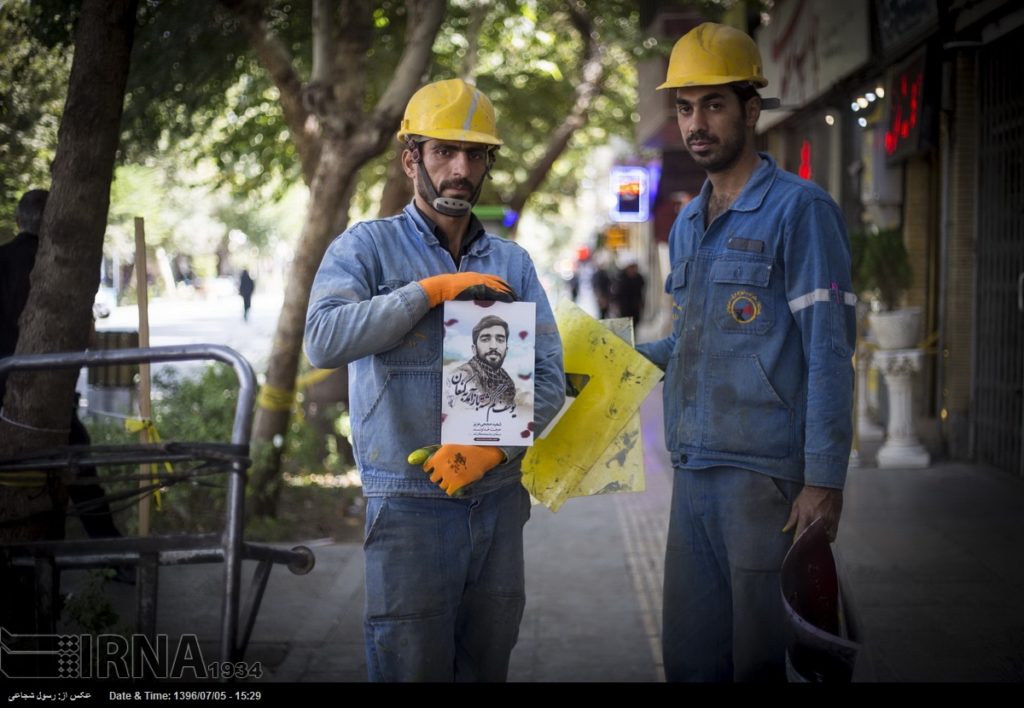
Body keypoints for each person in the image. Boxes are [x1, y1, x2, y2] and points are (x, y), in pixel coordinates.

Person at [304, 78, 565, 682]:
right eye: (444, 151)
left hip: (497, 506)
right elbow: (324, 339)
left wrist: (493, 449)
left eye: (475, 155)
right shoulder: (366, 248)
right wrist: (424, 294)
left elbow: (549, 379)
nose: (460, 168)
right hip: (408, 508)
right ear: (411, 159)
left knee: (484, 668)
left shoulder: (511, 263)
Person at [636, 23, 857, 682]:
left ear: (751, 110)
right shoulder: (687, 224)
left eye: (713, 105)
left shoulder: (801, 211)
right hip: (693, 472)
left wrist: (823, 481)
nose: (696, 123)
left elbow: (828, 349)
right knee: (692, 660)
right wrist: (610, 362)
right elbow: (691, 340)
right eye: (684, 108)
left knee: (760, 664)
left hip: (765, 482)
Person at [0, 190, 130, 575]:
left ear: (20, 221)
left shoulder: (2, 259)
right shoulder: (62, 267)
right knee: (78, 469)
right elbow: (87, 340)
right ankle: (115, 555)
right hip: (45, 394)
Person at [445, 314, 517, 414]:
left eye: (500, 340)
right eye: (485, 339)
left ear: (506, 350)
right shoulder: (462, 377)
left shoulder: (508, 384)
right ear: (474, 349)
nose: (493, 346)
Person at [612, 254, 646, 326]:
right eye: (631, 267)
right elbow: (616, 294)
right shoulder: (621, 279)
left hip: (635, 309)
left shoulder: (638, 278)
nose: (633, 270)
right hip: (623, 309)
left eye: (634, 267)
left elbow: (640, 292)